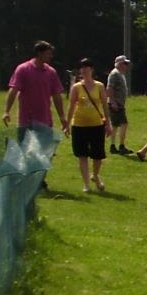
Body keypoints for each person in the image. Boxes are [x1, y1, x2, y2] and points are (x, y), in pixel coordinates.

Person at [2, 40, 67, 141]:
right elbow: (13, 90)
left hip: (45, 121)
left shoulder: (51, 72)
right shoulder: (23, 69)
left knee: (44, 151)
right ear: (39, 53)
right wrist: (6, 111)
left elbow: (56, 96)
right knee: (25, 150)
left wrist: (62, 117)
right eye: (48, 53)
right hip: (26, 121)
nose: (50, 56)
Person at [63, 57, 111, 193]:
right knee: (82, 155)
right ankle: (86, 184)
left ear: (92, 69)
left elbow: (105, 105)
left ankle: (95, 175)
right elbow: (71, 106)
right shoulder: (76, 87)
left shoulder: (99, 86)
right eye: (82, 68)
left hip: (97, 124)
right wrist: (67, 124)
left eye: (86, 67)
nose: (84, 70)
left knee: (98, 155)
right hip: (79, 125)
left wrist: (108, 123)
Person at [106, 55, 133, 155]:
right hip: (116, 103)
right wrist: (113, 102)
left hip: (118, 103)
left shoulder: (120, 74)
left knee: (115, 125)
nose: (126, 66)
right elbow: (109, 88)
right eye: (125, 63)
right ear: (119, 64)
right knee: (123, 124)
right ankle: (121, 146)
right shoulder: (115, 74)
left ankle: (113, 146)